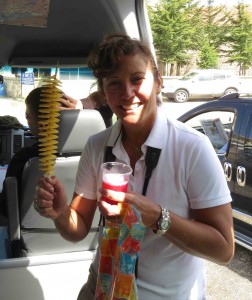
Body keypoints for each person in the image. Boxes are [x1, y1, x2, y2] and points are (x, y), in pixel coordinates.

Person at [34, 33, 235, 300]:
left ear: (158, 82)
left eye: (137, 79)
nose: (127, 93)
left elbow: (223, 249)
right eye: (114, 83)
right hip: (104, 288)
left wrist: (159, 218)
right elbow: (78, 227)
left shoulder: (192, 148)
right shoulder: (96, 147)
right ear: (104, 93)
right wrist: (60, 214)